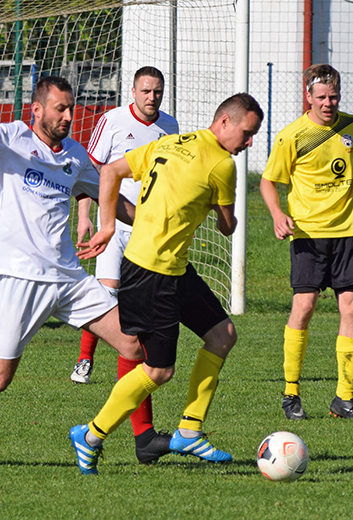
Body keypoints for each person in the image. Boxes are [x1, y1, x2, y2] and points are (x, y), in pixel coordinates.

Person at [0, 74, 170, 466]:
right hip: (22, 279)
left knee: (135, 344)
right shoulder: (11, 139)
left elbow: (106, 194)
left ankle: (143, 438)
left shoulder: (74, 154)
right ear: (36, 109)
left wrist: (148, 222)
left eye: (71, 108)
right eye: (60, 108)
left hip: (69, 278)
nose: (69, 116)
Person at [70, 93, 264, 475]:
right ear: (225, 121)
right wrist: (215, 205)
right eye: (247, 133)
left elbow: (109, 172)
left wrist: (109, 225)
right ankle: (90, 435)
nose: (249, 143)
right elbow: (227, 229)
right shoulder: (222, 165)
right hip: (151, 274)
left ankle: (190, 430)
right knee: (158, 371)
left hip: (171, 268)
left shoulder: (171, 141)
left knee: (222, 334)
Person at [259, 64, 353, 422]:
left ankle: (344, 399)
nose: (328, 103)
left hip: (347, 233)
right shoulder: (293, 136)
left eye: (333, 96)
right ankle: (291, 394)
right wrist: (276, 214)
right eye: (321, 97)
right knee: (304, 308)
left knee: (352, 309)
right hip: (308, 235)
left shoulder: (351, 126)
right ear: (308, 96)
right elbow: (268, 181)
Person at [71, 66, 179, 385]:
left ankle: (129, 370)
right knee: (106, 293)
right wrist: (84, 216)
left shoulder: (169, 127)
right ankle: (85, 360)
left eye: (157, 91)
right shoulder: (113, 121)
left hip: (148, 227)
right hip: (113, 222)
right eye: (145, 91)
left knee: (136, 300)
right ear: (133, 91)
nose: (151, 97)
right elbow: (90, 173)